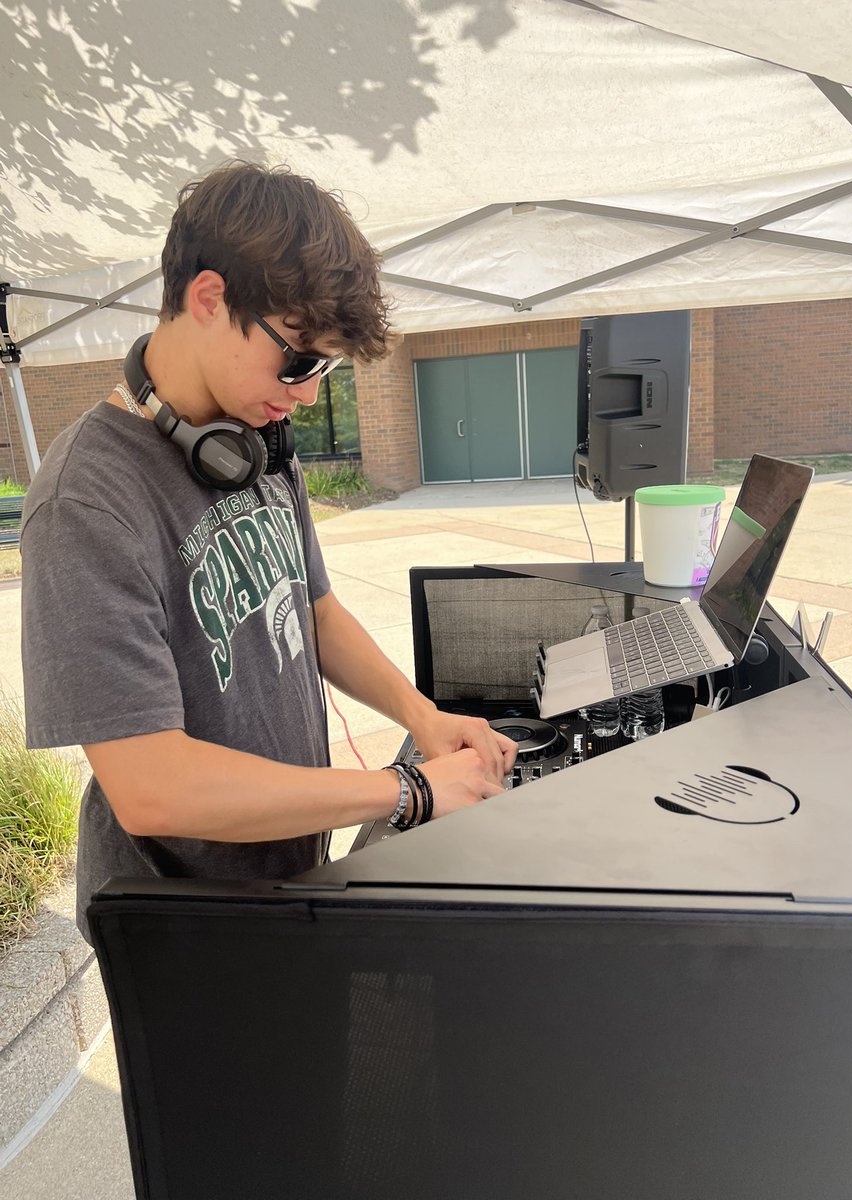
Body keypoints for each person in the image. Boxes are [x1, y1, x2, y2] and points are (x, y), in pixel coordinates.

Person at [20, 161, 516, 942]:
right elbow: (152, 788)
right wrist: (407, 790)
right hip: (181, 928)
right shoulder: (85, 502)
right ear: (209, 298)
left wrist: (426, 718)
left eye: (327, 367)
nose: (311, 391)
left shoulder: (254, 443)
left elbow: (314, 608)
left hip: (283, 876)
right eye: (300, 357)